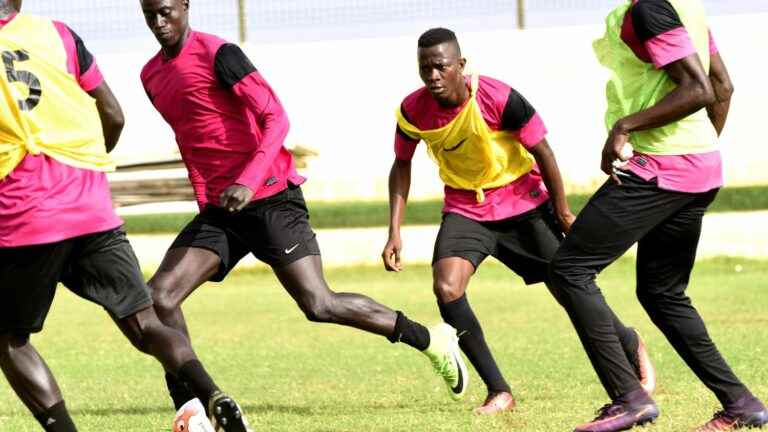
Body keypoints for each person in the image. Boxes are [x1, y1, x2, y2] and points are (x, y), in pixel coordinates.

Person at [138, 0, 468, 410]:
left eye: (166, 10)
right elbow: (190, 141)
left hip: (272, 198)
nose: (159, 21)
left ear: (186, 5)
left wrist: (247, 180)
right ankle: (192, 405)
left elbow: (276, 118)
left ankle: (430, 339)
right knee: (160, 296)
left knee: (319, 304)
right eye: (150, 13)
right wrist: (208, 198)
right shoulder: (151, 76)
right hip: (222, 211)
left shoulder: (219, 55)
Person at [0, 1, 250, 431]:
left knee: (8, 337)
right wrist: (85, 170)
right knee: (144, 322)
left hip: (26, 214)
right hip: (92, 205)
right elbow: (113, 115)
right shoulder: (58, 34)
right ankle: (211, 394)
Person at [382, 27, 655, 415]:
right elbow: (401, 164)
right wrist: (395, 231)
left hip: (522, 203)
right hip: (466, 209)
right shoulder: (413, 110)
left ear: (460, 65)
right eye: (425, 68)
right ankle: (499, 391)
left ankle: (629, 342)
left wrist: (561, 212)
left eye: (441, 67)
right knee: (447, 288)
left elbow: (543, 152)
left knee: (569, 289)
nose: (433, 77)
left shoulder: (499, 97)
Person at [547, 0, 768, 431]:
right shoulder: (686, 6)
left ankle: (629, 399)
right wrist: (697, 151)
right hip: (698, 169)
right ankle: (741, 403)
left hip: (663, 167)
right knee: (662, 293)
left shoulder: (650, 9)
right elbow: (724, 86)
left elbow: (700, 88)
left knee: (570, 269)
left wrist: (623, 127)